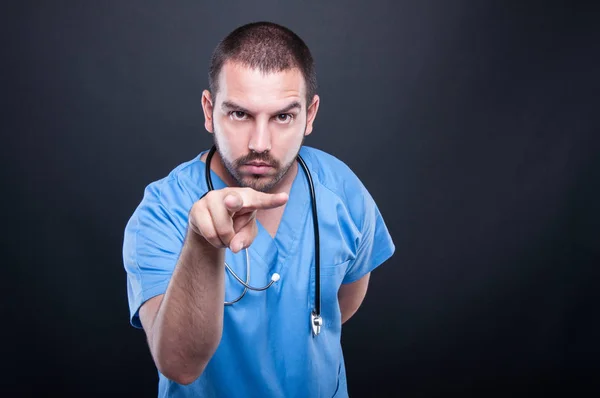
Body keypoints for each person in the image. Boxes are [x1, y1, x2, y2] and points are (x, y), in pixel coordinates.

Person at [122, 21, 395, 397]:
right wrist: (203, 245)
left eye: (283, 116)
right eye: (239, 114)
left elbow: (342, 303)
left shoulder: (342, 190)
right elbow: (179, 365)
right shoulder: (162, 210)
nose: (260, 143)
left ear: (310, 115)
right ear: (209, 110)